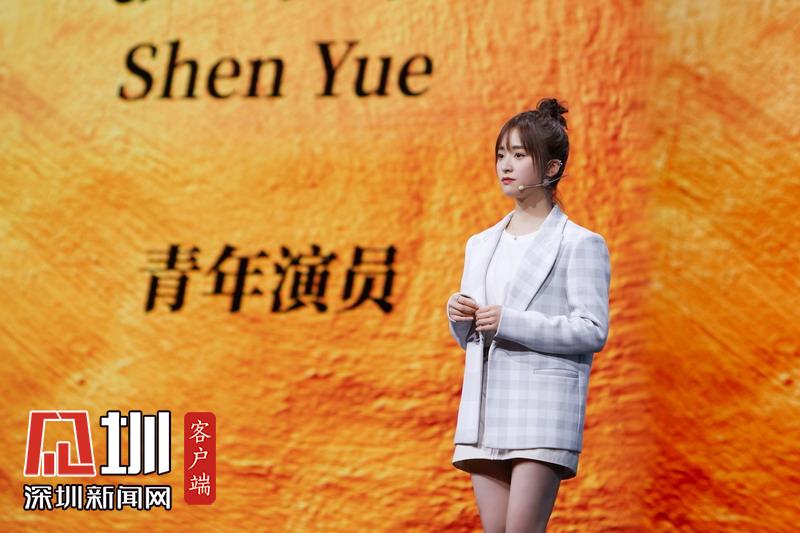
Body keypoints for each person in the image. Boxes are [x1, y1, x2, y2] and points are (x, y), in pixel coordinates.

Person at [446, 98, 611, 532]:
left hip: (541, 406)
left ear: (551, 168)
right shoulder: (481, 243)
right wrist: (459, 314)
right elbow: (471, 337)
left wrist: (510, 321)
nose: (506, 165)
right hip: (485, 408)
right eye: (501, 154)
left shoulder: (579, 243)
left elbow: (592, 330)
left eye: (519, 155)